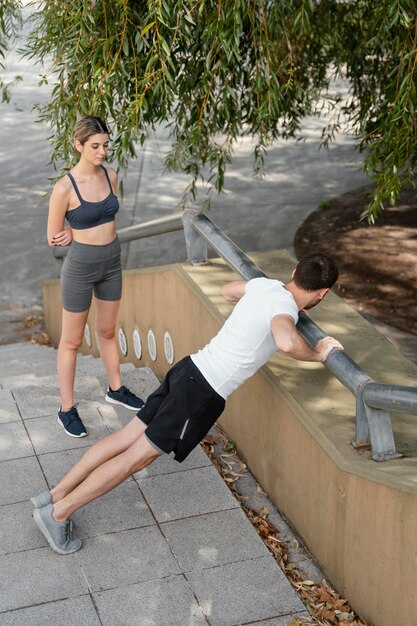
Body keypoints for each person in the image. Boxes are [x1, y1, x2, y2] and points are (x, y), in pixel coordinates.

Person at [32, 252, 343, 554]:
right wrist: (318, 352)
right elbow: (287, 342)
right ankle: (58, 513)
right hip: (201, 391)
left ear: (294, 273)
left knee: (125, 437)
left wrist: (279, 312)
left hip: (188, 369)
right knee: (136, 458)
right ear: (323, 292)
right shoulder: (282, 308)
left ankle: (54, 495)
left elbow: (227, 291)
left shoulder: (267, 287)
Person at [47, 116, 144, 438]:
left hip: (111, 263)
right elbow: (53, 237)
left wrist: (78, 228)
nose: (102, 151)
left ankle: (116, 389)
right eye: (95, 146)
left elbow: (106, 215)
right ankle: (66, 408)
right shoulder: (64, 188)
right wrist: (73, 230)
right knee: (72, 342)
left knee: (106, 331)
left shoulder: (111, 174)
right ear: (78, 145)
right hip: (80, 269)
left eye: (105, 145)